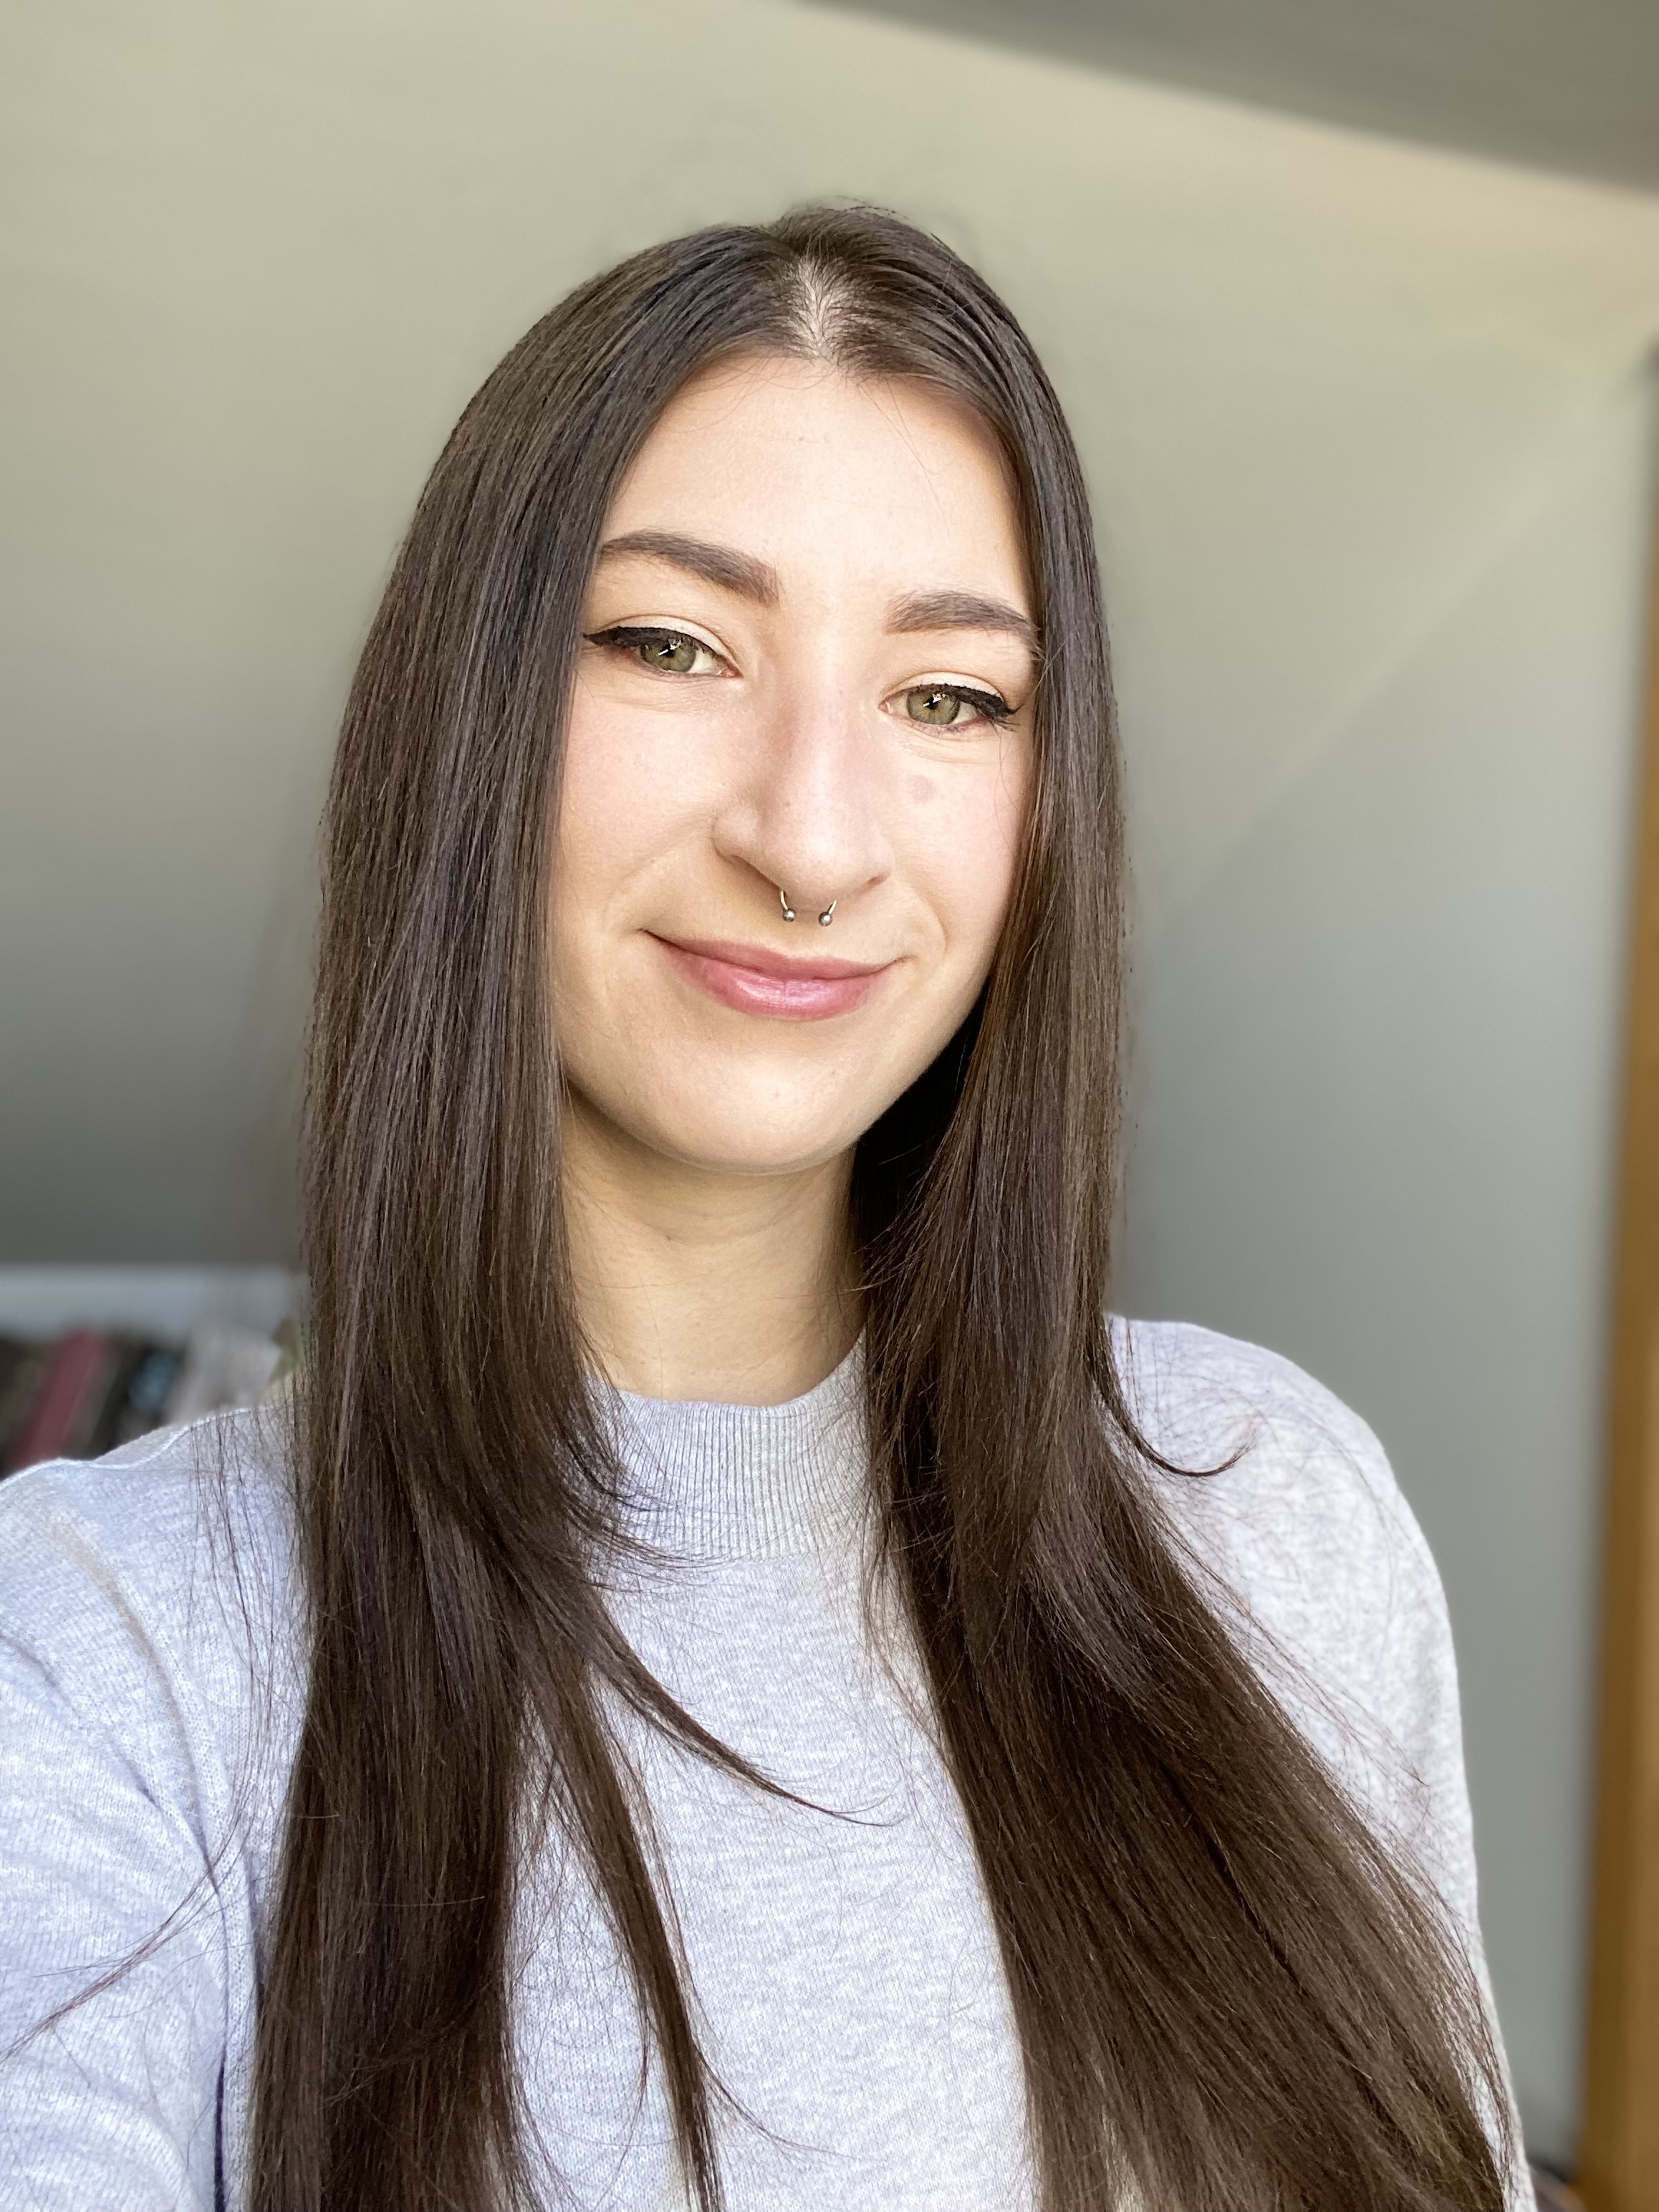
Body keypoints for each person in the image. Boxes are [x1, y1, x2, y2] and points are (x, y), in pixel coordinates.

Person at [0, 206, 1526, 2212]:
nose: (812, 839)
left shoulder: (1268, 1511)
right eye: (670, 647)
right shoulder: (106, 1645)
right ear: (466, 724)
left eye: (950, 697)